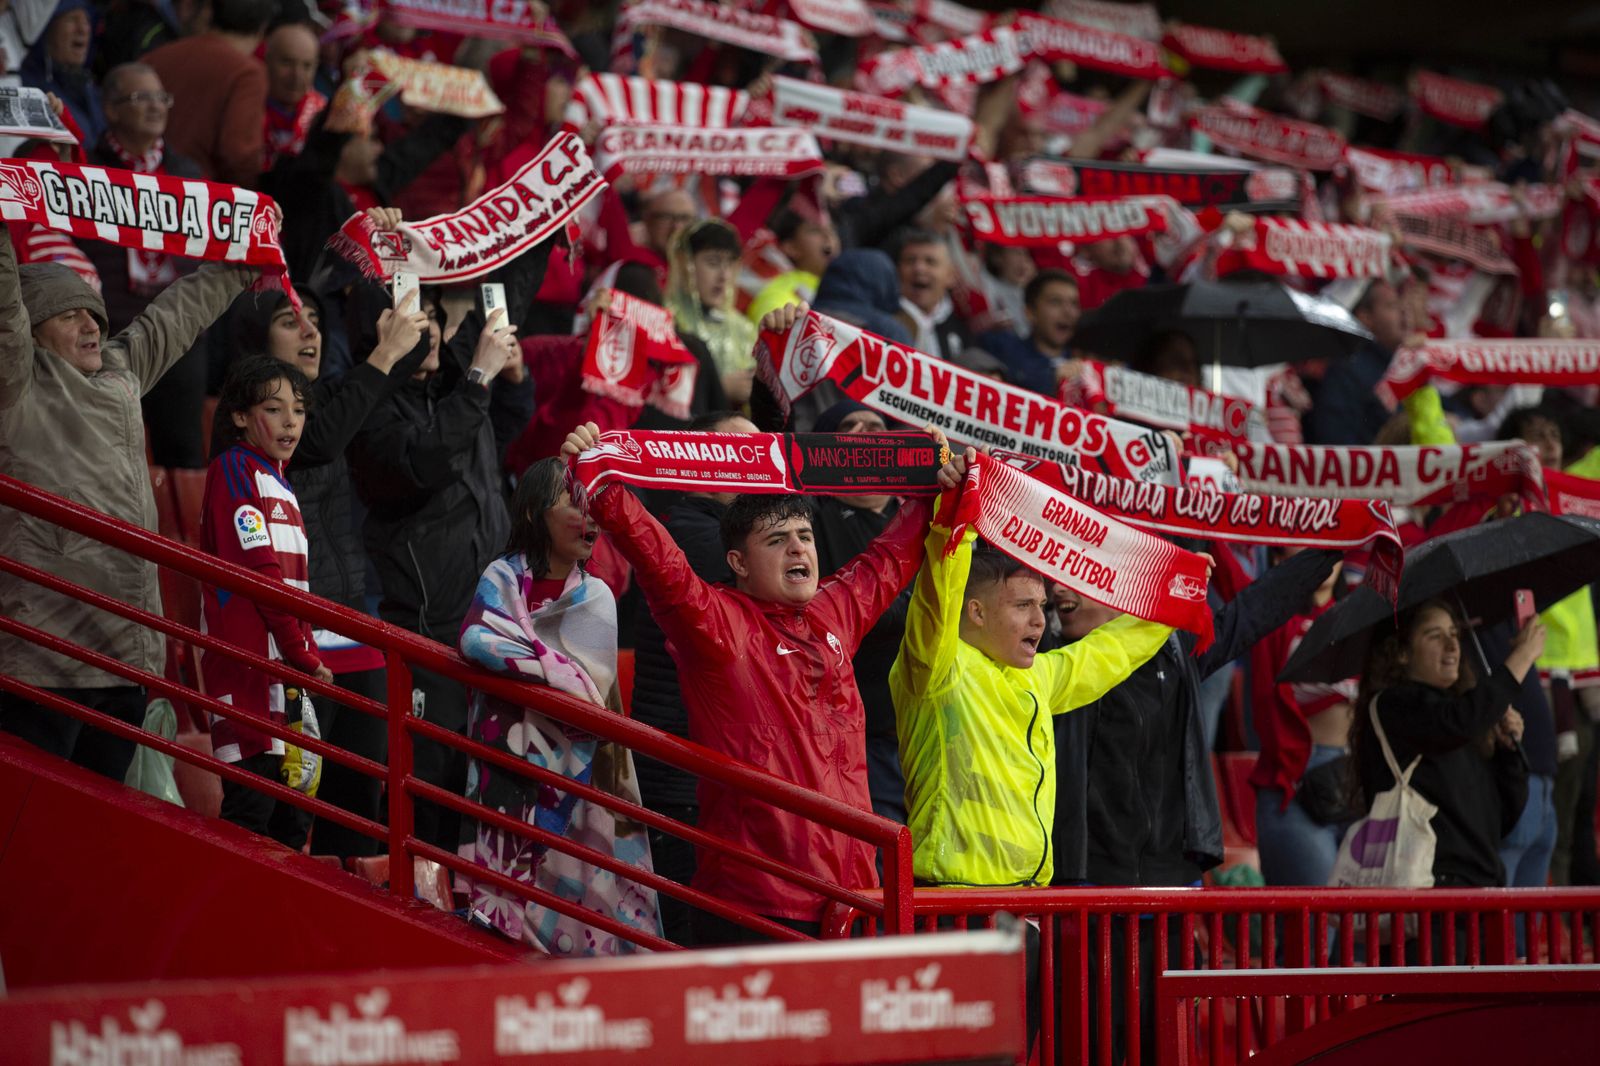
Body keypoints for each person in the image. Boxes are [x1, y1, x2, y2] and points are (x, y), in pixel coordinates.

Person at [560, 384, 939, 943]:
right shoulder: (716, 625)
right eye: (779, 539)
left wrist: (934, 485)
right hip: (760, 901)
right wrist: (603, 483)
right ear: (736, 561)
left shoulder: (834, 612)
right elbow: (660, 560)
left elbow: (889, 558)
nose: (799, 550)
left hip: (855, 899)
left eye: (806, 537)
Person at [0, 223, 256, 782]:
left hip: (126, 658)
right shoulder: (15, 384)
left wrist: (245, 256)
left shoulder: (119, 371)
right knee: (31, 835)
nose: (92, 325)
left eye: (95, 313)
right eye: (70, 315)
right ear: (33, 331)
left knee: (100, 844)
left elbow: (176, 315)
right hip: (45, 660)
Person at [228, 219, 429, 856]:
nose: (310, 329)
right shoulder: (242, 431)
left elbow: (408, 353)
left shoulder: (335, 399)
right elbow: (318, 440)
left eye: (315, 318)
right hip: (289, 639)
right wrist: (381, 355)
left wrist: (383, 257)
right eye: (291, 320)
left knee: (362, 810)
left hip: (354, 629)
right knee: (282, 817)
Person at [345, 242, 549, 852]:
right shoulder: (370, 411)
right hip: (430, 632)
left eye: (432, 312)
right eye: (412, 313)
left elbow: (498, 425)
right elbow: (427, 461)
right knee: (432, 793)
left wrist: (545, 222)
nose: (429, 326)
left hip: (495, 623)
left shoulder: (446, 394)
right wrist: (481, 377)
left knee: (485, 795)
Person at [891, 481, 1176, 889]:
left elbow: (1108, 652)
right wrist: (955, 523)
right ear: (976, 612)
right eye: (1022, 606)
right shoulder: (938, 668)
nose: (1040, 622)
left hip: (1025, 901)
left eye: (1040, 607)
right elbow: (936, 599)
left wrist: (1171, 599)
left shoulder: (1036, 676)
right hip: (952, 903)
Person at [457, 458, 663, 955]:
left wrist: (524, 653)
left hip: (582, 781)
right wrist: (551, 665)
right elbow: (476, 640)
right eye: (573, 500)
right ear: (533, 512)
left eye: (592, 503)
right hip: (506, 773)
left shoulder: (597, 596)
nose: (588, 515)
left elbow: (590, 681)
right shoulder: (499, 577)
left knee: (579, 899)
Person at [628, 408, 757, 945]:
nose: (757, 463)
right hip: (680, 771)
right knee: (683, 933)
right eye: (739, 452)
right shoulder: (694, 533)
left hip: (698, 770)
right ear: (698, 463)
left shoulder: (713, 526)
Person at [199, 355, 329, 845]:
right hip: (250, 672)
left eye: (298, 410)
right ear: (239, 416)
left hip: (290, 677)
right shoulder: (235, 469)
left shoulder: (282, 485)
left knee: (291, 824)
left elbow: (294, 591)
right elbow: (260, 575)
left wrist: (300, 659)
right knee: (251, 812)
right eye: (274, 409)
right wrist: (302, 655)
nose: (290, 421)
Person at [1352, 600, 1536, 892]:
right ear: (1401, 653)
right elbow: (1456, 722)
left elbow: (1501, 818)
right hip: (1430, 903)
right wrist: (1521, 658)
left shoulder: (1459, 720)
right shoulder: (1394, 706)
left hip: (1481, 894)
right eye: (1435, 636)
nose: (1452, 645)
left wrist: (1508, 752)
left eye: (1454, 633)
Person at [90, 62, 209, 471]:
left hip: (178, 337)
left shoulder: (186, 173)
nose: (156, 107)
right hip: (111, 337)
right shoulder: (86, 171)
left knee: (184, 455)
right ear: (111, 109)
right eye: (142, 98)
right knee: (108, 459)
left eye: (162, 98)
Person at [1249, 549, 1357, 886]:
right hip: (1296, 783)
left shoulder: (1358, 612)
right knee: (1314, 932)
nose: (1325, 558)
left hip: (1355, 778)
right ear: (1283, 559)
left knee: (1357, 934)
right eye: (1310, 548)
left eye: (1332, 548)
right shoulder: (1274, 616)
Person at [144, 0, 271, 186]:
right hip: (203, 199)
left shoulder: (155, 58)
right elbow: (239, 156)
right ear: (263, 27)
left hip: (143, 190)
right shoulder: (247, 74)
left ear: (210, 13)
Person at [665, 218, 757, 408]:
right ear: (685, 265)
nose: (724, 276)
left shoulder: (744, 328)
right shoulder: (664, 321)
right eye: (713, 263)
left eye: (730, 264)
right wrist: (719, 390)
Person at [1305, 280, 1408, 446]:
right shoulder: (1346, 371)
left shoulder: (1406, 363)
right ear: (1365, 317)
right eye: (1391, 306)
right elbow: (1336, 440)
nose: (1403, 312)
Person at [978, 270, 1081, 397]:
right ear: (1030, 312)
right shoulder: (1002, 350)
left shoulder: (1086, 365)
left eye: (1074, 304)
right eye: (1056, 302)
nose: (1068, 312)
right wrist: (1049, 380)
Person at [20, 0, 101, 145]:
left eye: (87, 21)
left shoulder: (89, 87)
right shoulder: (26, 87)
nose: (83, 29)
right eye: (72, 19)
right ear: (46, 29)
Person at [746, 209, 839, 325]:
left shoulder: (846, 286)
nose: (828, 236)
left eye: (831, 229)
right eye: (815, 230)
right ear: (791, 247)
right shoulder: (777, 294)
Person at [893, 228, 968, 362]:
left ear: (951, 275)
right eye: (910, 261)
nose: (919, 268)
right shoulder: (886, 321)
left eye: (930, 261)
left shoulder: (964, 330)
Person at [261, 22, 324, 170]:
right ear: (267, 60)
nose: (297, 76)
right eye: (287, 62)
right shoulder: (245, 106)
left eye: (307, 66)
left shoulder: (323, 115)